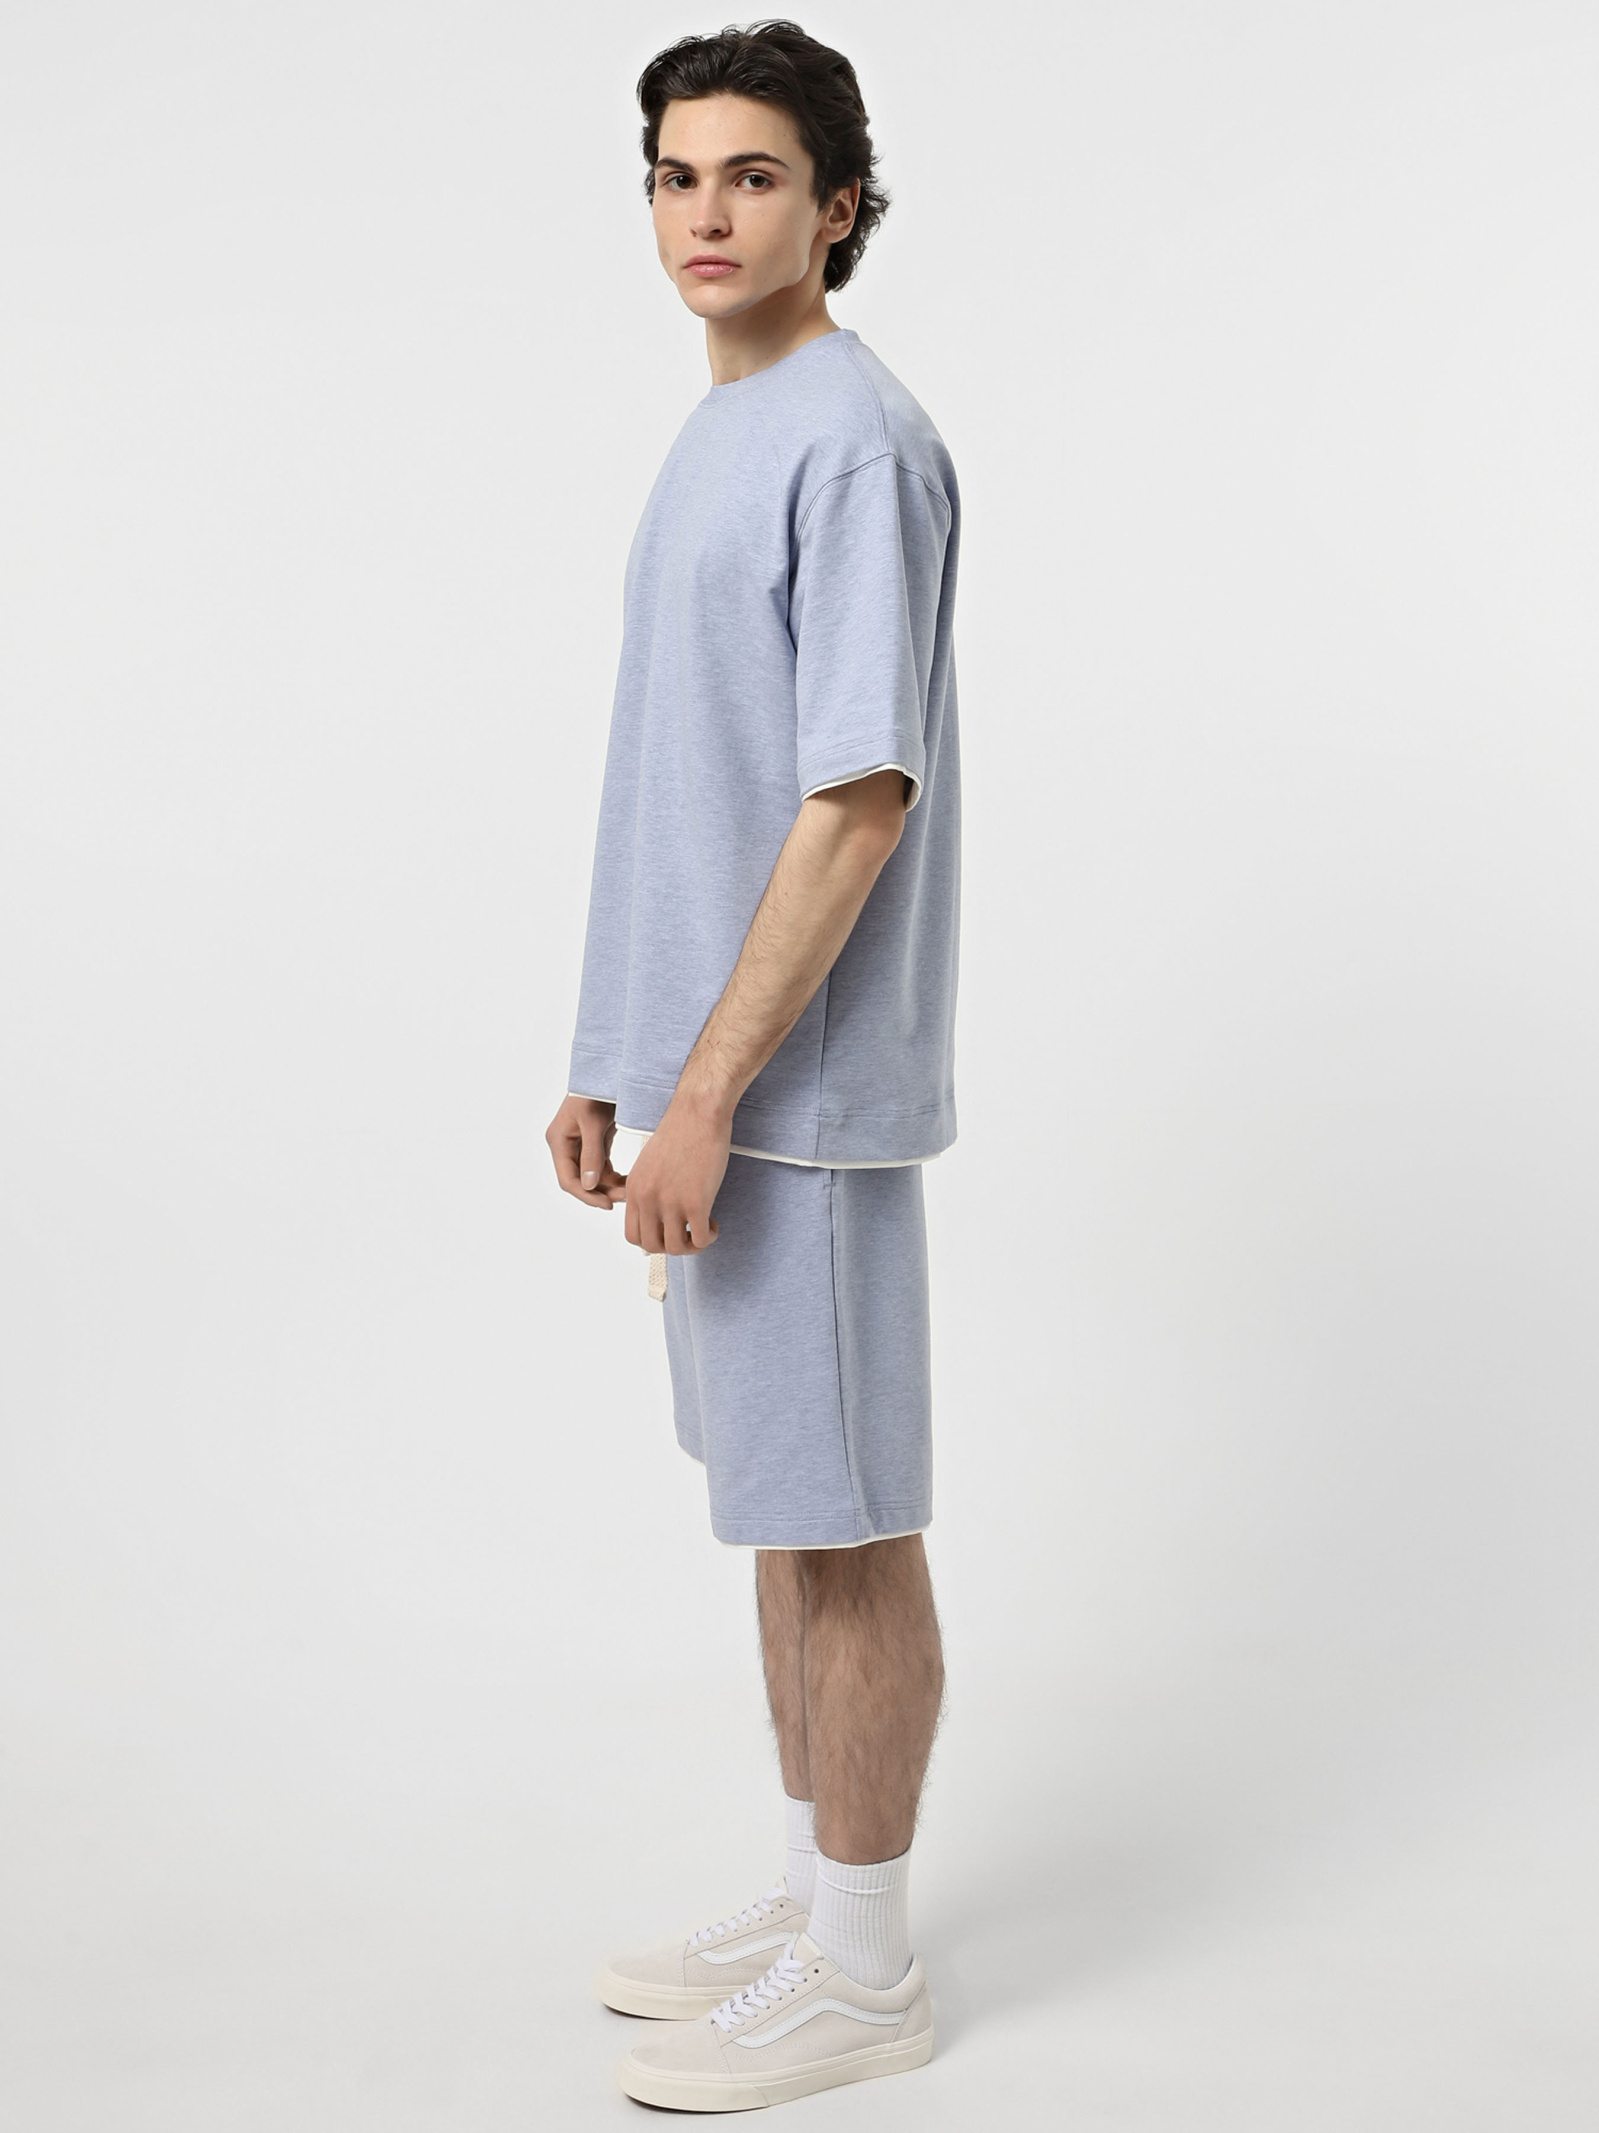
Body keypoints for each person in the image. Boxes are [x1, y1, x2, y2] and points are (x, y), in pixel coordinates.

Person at [545, 20, 961, 2112]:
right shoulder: (721, 427)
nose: (706, 212)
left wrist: (708, 1095)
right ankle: (815, 1900)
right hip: (712, 1084)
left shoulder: (853, 443)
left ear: (838, 206)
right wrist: (613, 1055)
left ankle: (865, 1973)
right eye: (676, 175)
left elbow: (852, 799)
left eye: (754, 175)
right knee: (786, 1516)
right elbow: (680, 779)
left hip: (801, 1106)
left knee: (853, 1527)